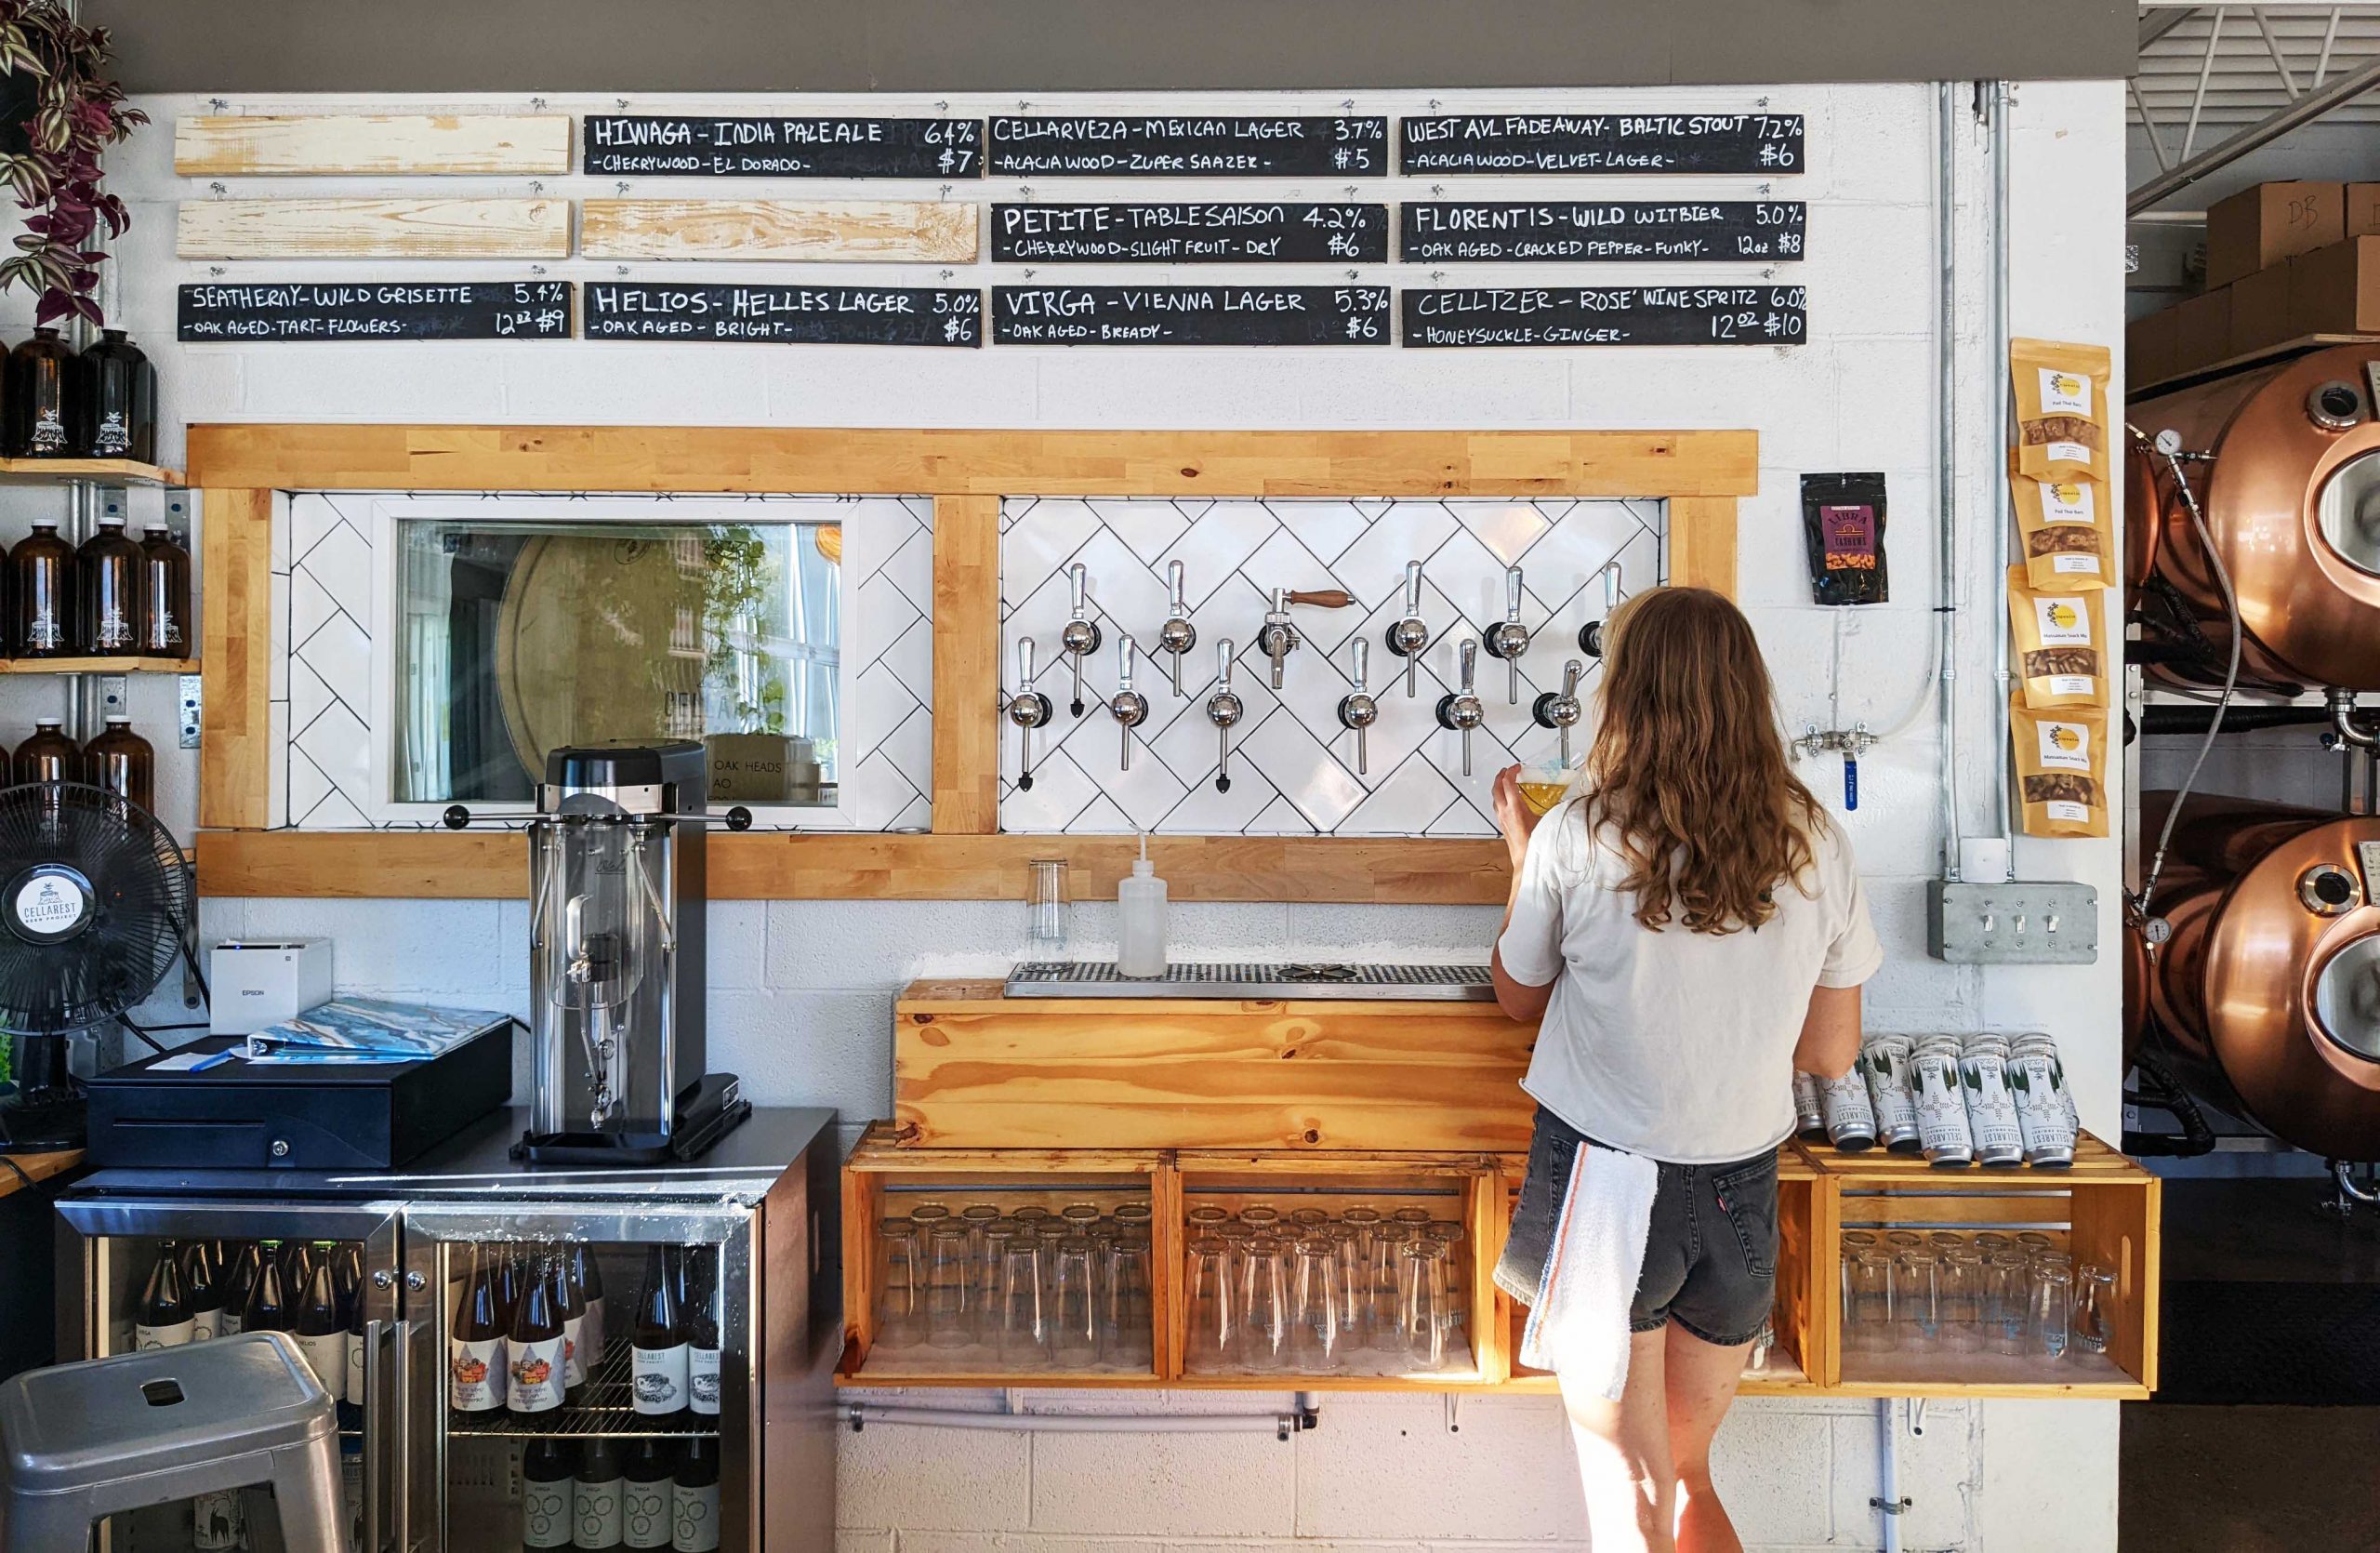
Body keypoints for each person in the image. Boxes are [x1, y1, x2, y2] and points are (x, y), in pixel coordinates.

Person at [1488, 586, 1880, 1553]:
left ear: (1623, 693)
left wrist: (1518, 855)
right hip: (1742, 1191)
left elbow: (1517, 993)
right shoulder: (1813, 838)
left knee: (1631, 1487)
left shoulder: (1576, 833)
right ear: (1749, 692)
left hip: (1607, 1190)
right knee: (1684, 1476)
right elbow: (1830, 1052)